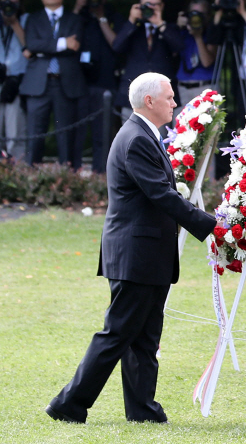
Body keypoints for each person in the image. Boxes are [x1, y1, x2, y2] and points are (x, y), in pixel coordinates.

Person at [45, 72, 217, 424]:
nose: (175, 102)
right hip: (136, 253)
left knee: (144, 335)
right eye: (169, 97)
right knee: (119, 333)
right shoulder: (136, 138)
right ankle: (68, 403)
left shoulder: (142, 135)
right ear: (149, 101)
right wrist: (210, 224)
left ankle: (141, 408)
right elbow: (161, 194)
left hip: (144, 253)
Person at [20, 0, 87, 166]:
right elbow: (31, 43)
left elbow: (75, 46)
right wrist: (63, 43)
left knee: (65, 134)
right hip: (37, 83)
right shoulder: (33, 19)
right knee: (34, 134)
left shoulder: (74, 19)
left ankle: (67, 179)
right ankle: (30, 177)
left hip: (65, 82)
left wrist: (42, 48)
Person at [72, 0, 124, 173]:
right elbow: (68, 34)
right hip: (79, 83)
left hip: (106, 83)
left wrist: (101, 18)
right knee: (76, 133)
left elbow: (117, 45)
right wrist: (78, 8)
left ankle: (100, 174)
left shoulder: (114, 17)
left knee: (102, 134)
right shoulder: (80, 17)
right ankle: (73, 173)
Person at [112, 0, 183, 121]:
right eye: (146, 5)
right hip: (133, 96)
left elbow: (179, 47)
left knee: (160, 139)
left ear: (162, 6)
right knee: (133, 137)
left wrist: (159, 24)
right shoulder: (133, 29)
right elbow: (117, 47)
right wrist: (131, 20)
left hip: (162, 96)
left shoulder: (168, 28)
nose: (150, 8)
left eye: (154, 4)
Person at [175, 0, 217, 112]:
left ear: (208, 16)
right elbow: (169, 53)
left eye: (200, 14)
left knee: (209, 129)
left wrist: (198, 37)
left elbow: (207, 62)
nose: (196, 18)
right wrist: (177, 28)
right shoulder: (181, 32)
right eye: (193, 14)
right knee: (179, 129)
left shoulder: (212, 33)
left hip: (205, 88)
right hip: (182, 90)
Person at [0, 0, 28, 161]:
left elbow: (30, 46)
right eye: (5, 2)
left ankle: (17, 172)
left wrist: (14, 22)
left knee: (15, 132)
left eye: (14, 2)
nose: (9, 5)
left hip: (17, 82)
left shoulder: (26, 20)